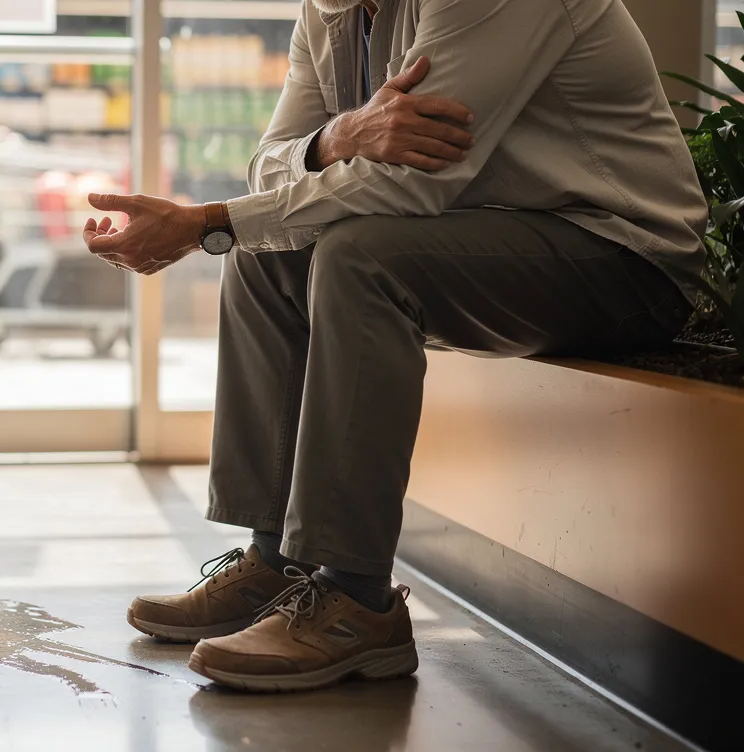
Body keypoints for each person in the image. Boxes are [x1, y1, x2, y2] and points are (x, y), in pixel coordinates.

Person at [83, 0, 707, 692]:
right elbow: (270, 167)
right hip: (481, 241)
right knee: (264, 255)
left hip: (621, 256)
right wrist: (336, 139)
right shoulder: (329, 13)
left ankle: (355, 600)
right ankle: (276, 564)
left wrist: (205, 222)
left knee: (356, 254)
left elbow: (412, 186)